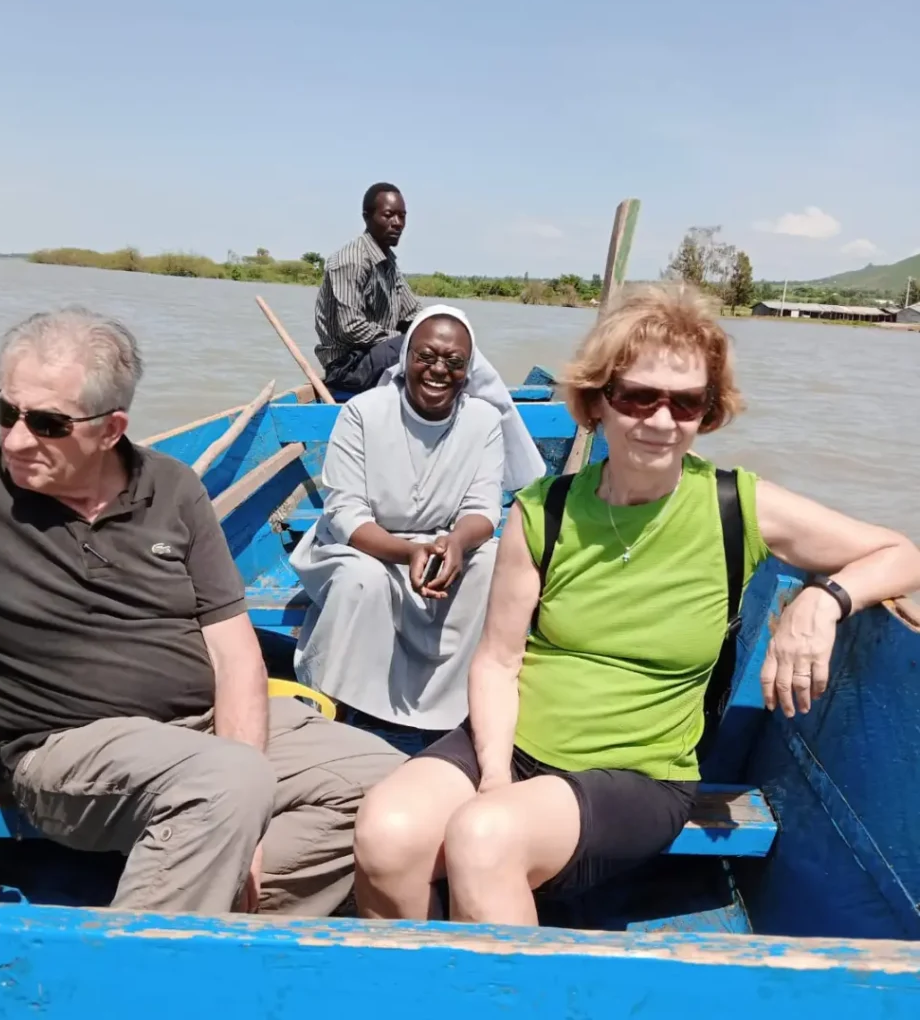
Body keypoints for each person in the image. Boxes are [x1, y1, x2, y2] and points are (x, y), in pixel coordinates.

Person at [352, 282, 920, 926]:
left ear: (708, 412)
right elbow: (498, 662)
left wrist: (824, 600)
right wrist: (494, 777)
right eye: (638, 397)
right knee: (386, 833)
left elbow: (901, 553)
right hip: (515, 745)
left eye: (686, 403)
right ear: (598, 401)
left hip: (638, 774)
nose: (660, 421)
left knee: (484, 840)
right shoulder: (545, 512)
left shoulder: (737, 507)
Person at [0, 307, 404, 918]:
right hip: (64, 749)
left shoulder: (173, 487)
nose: (17, 439)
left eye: (48, 424)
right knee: (223, 783)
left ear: (111, 429)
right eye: (7, 411)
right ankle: (148, 958)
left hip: (204, 730)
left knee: (394, 787)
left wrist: (247, 828)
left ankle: (204, 920)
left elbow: (233, 651)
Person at [290, 305, 517, 755]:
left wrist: (455, 543)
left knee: (493, 561)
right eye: (426, 356)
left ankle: (459, 710)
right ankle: (335, 710)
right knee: (363, 580)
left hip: (442, 544)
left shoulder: (484, 421)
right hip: (362, 546)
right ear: (406, 357)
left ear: (469, 368)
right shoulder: (363, 412)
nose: (438, 370)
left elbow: (482, 509)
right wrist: (407, 552)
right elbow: (346, 515)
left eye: (454, 361)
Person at [314, 181, 423, 395]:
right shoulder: (352, 260)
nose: (397, 223)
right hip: (347, 367)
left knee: (441, 340)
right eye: (388, 215)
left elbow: (413, 313)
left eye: (402, 216)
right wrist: (402, 339)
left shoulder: (387, 262)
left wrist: (437, 327)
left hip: (375, 355)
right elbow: (352, 328)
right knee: (420, 345)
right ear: (367, 217)